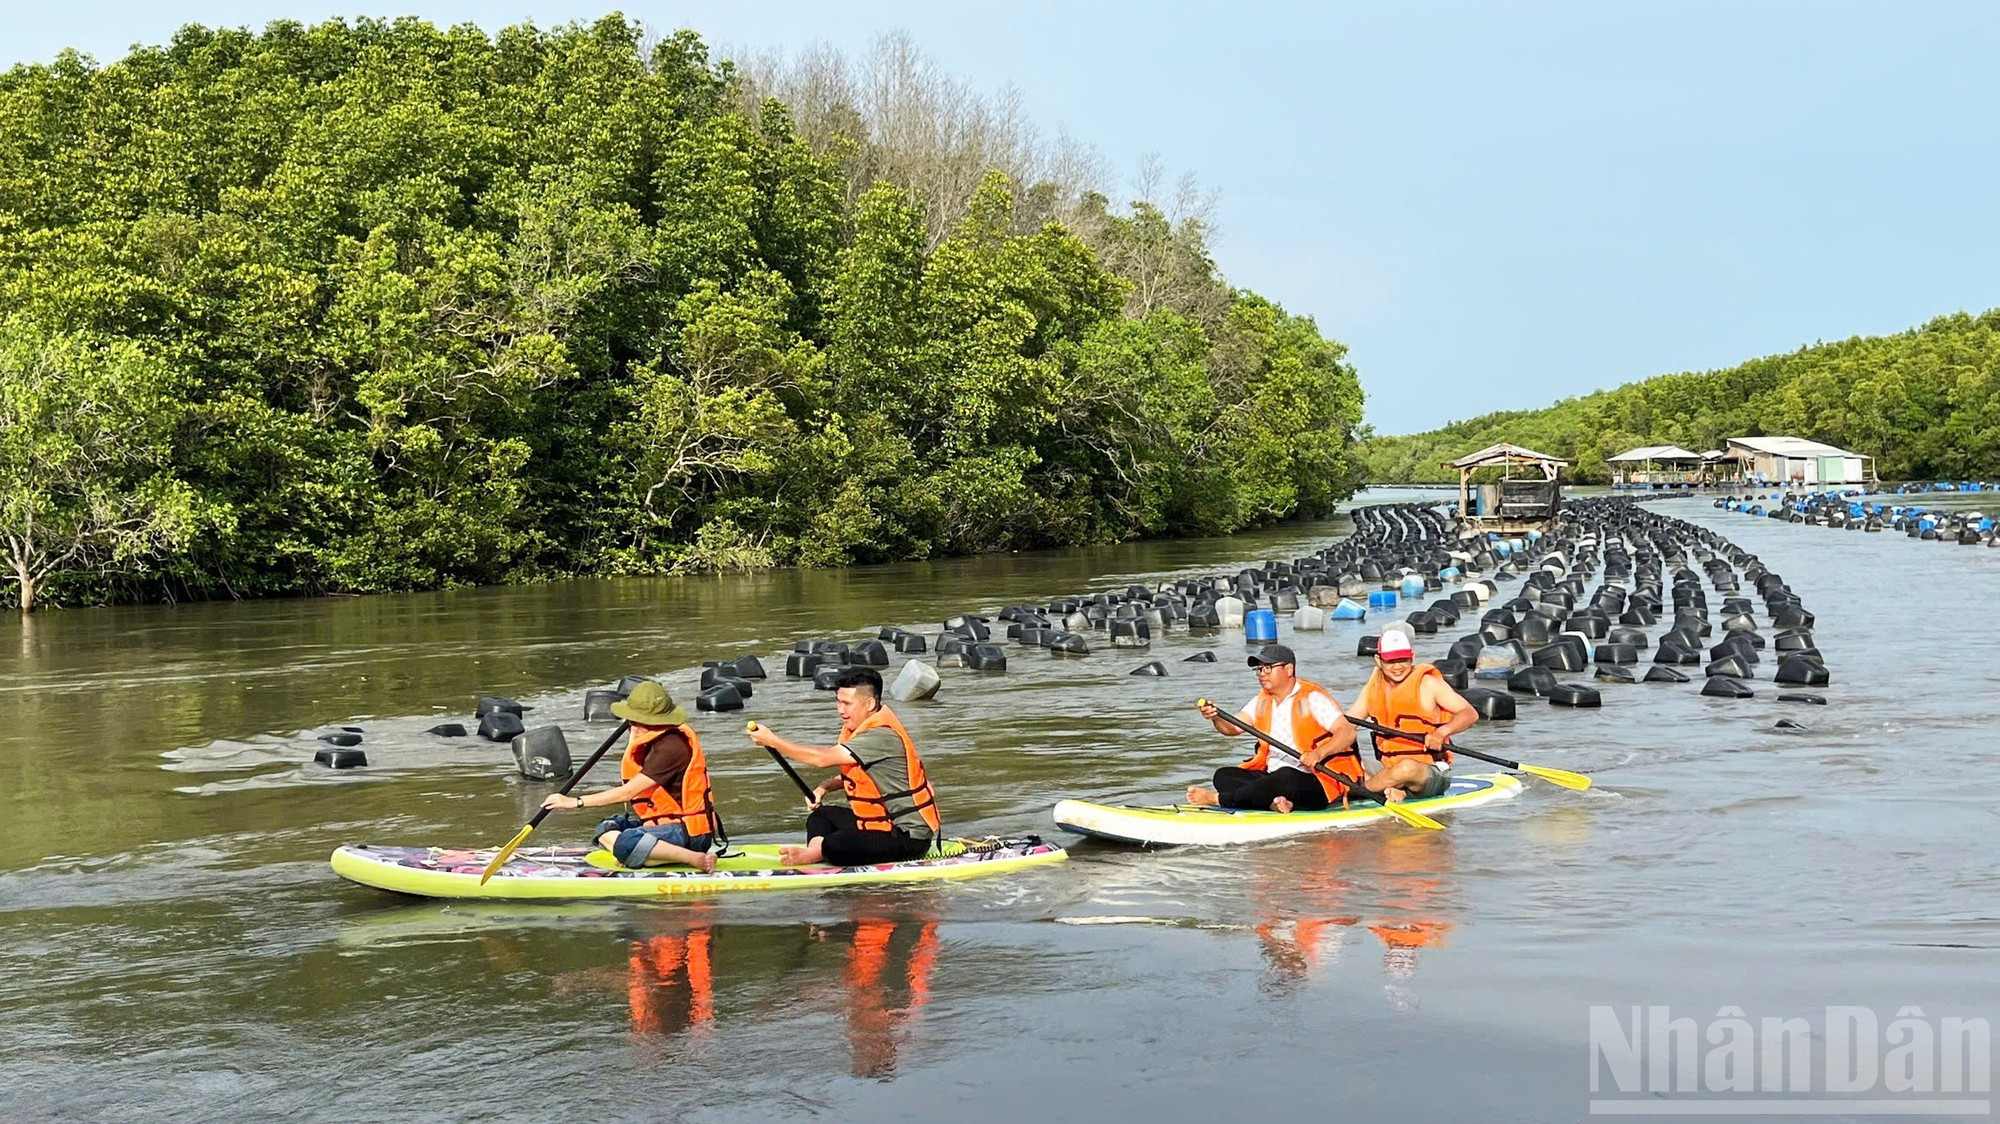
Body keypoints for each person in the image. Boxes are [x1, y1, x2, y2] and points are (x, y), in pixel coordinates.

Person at [746, 667, 941, 866]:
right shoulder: (860, 728)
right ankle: (814, 852)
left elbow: (821, 759)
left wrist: (773, 741)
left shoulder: (880, 735)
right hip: (878, 824)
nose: (840, 710)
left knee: (836, 843)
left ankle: (822, 851)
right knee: (822, 816)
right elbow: (863, 775)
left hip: (908, 836)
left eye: (847, 703)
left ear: (870, 703)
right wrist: (826, 786)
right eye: (838, 701)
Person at [540, 680, 719, 872]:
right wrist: (635, 734)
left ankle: (694, 858)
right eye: (632, 720)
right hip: (664, 824)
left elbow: (627, 792)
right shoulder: (652, 740)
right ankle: (644, 855)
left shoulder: (672, 747)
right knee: (607, 827)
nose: (633, 725)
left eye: (638, 721)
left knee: (626, 841)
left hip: (692, 834)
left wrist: (575, 802)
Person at [1187, 643, 1362, 814]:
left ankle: (1219, 799)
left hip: (1318, 780)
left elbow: (1347, 733)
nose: (1262, 674)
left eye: (1268, 668)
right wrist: (1216, 717)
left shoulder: (1312, 697)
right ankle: (1278, 803)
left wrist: (1318, 754)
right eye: (1259, 669)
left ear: (1288, 669)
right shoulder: (1262, 700)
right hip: (1274, 778)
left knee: (1285, 776)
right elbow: (1232, 728)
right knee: (1223, 776)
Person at [1345, 627, 1479, 803]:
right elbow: (1346, 724)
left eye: (1403, 660)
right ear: (1378, 660)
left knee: (1406, 768)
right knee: (1344, 762)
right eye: (1391, 661)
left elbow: (1470, 714)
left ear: (1412, 657)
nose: (1398, 667)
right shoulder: (1373, 687)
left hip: (1427, 772)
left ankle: (1357, 792)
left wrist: (1441, 733)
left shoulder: (1428, 684)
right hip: (1387, 768)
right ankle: (1391, 789)